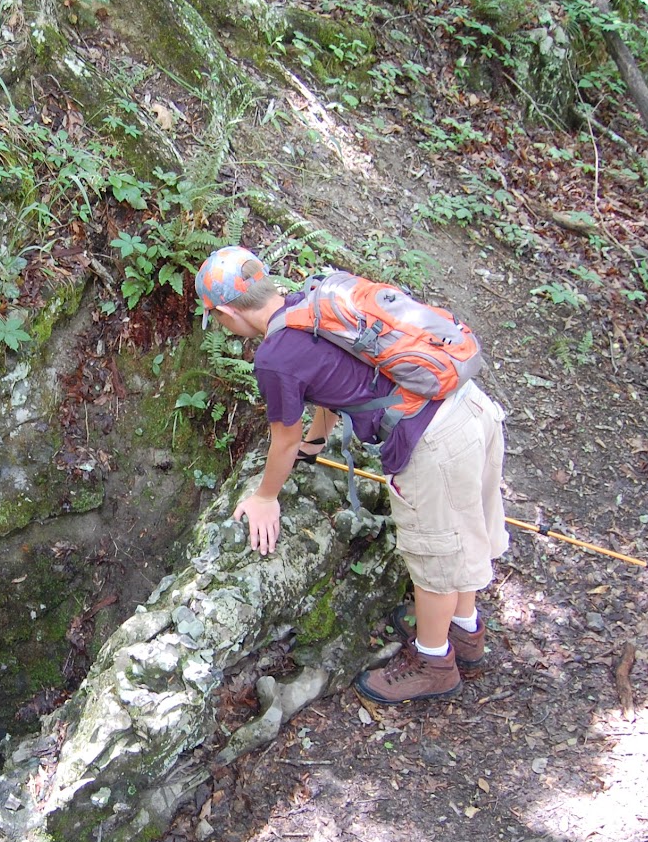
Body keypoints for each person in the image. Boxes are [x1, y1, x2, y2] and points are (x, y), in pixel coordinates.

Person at [194, 245, 508, 704]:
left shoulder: (274, 356)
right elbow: (331, 385)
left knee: (435, 556)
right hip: (469, 407)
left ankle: (434, 663)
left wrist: (265, 497)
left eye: (218, 320)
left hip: (436, 440)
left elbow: (283, 439)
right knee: (462, 533)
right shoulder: (311, 302)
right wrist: (317, 443)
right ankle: (464, 632)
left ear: (226, 313)